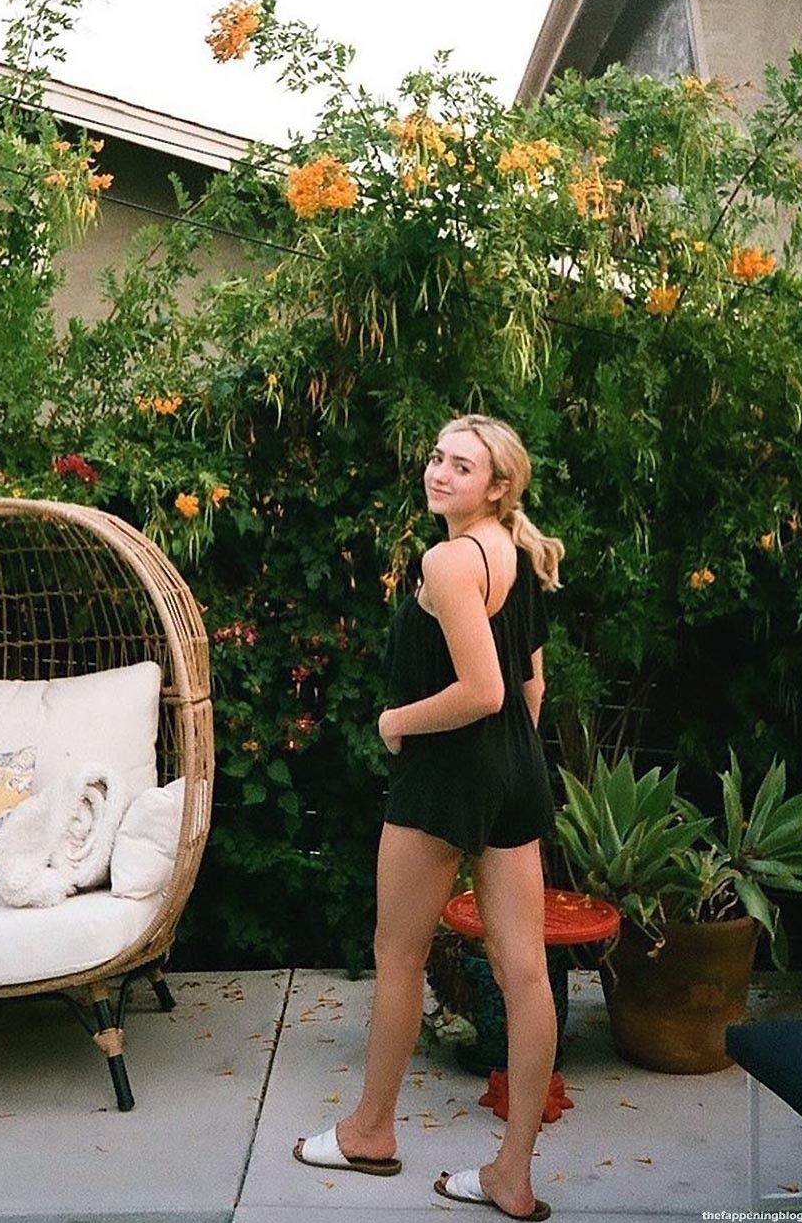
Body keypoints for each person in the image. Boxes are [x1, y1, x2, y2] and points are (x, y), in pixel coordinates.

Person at [293, 413, 564, 1223]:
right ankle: (511, 1176)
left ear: (498, 485)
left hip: (446, 774)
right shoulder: (516, 551)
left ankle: (369, 1132)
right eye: (437, 457)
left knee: (398, 954)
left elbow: (481, 690)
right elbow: (529, 690)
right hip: (516, 767)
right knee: (524, 972)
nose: (439, 473)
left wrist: (396, 722)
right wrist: (507, 762)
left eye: (462, 465)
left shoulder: (449, 561)